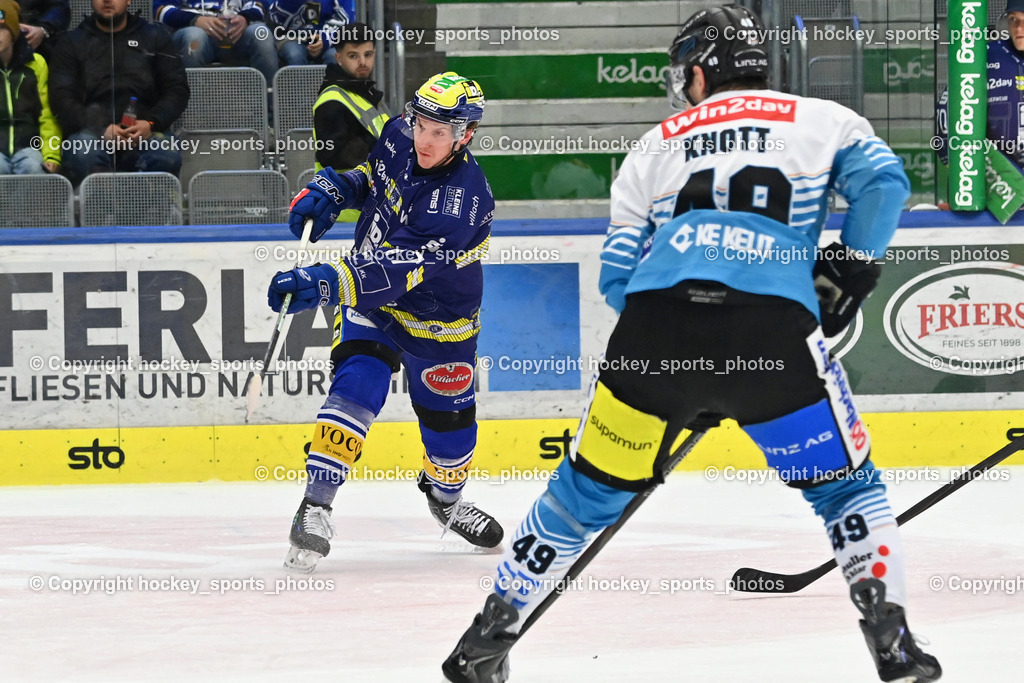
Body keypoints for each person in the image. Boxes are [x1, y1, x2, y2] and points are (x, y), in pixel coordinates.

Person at [443, 5, 942, 683]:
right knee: (847, 491)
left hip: (655, 335)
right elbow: (884, 187)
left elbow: (618, 280)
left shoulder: (655, 145)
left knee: (578, 499)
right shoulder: (824, 118)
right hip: (771, 333)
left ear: (702, 72)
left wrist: (687, 370)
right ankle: (891, 638)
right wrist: (848, 270)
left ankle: (484, 638)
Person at [265, 71, 501, 573]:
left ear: (465, 135)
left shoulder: (464, 201)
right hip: (371, 305)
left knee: (450, 433)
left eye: (440, 132)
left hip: (438, 320)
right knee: (356, 386)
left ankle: (446, 499)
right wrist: (336, 188)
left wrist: (324, 280)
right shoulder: (398, 133)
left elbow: (394, 271)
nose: (425, 140)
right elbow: (374, 178)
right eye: (421, 125)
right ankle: (315, 505)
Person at [48, 0, 188, 187]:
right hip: (91, 134)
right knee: (81, 151)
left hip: (146, 132)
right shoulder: (70, 43)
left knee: (166, 154)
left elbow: (177, 90)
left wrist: (151, 123)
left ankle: (147, 205)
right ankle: (103, 204)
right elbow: (61, 98)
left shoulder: (155, 37)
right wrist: (101, 129)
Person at [311, 21, 387, 220]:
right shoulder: (332, 101)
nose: (362, 62)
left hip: (369, 213)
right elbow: (333, 156)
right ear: (339, 58)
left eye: (367, 54)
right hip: (345, 217)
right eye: (353, 56)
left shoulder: (366, 94)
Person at [155, 0, 278, 88]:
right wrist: (194, 19)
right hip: (191, 29)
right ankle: (190, 111)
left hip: (236, 32)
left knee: (261, 33)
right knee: (194, 37)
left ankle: (269, 112)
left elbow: (262, 4)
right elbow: (160, 10)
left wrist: (245, 17)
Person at [0, 0, 61, 175]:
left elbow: (47, 116)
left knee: (33, 167)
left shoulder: (36, 64)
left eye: (2, 28)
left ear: (14, 30)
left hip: (29, 147)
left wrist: (51, 155)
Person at [268, 0, 354, 67]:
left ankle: (332, 85)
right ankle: (298, 86)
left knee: (334, 56)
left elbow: (347, 23)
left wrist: (325, 39)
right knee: (295, 55)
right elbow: (275, 19)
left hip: (332, 40)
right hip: (293, 38)